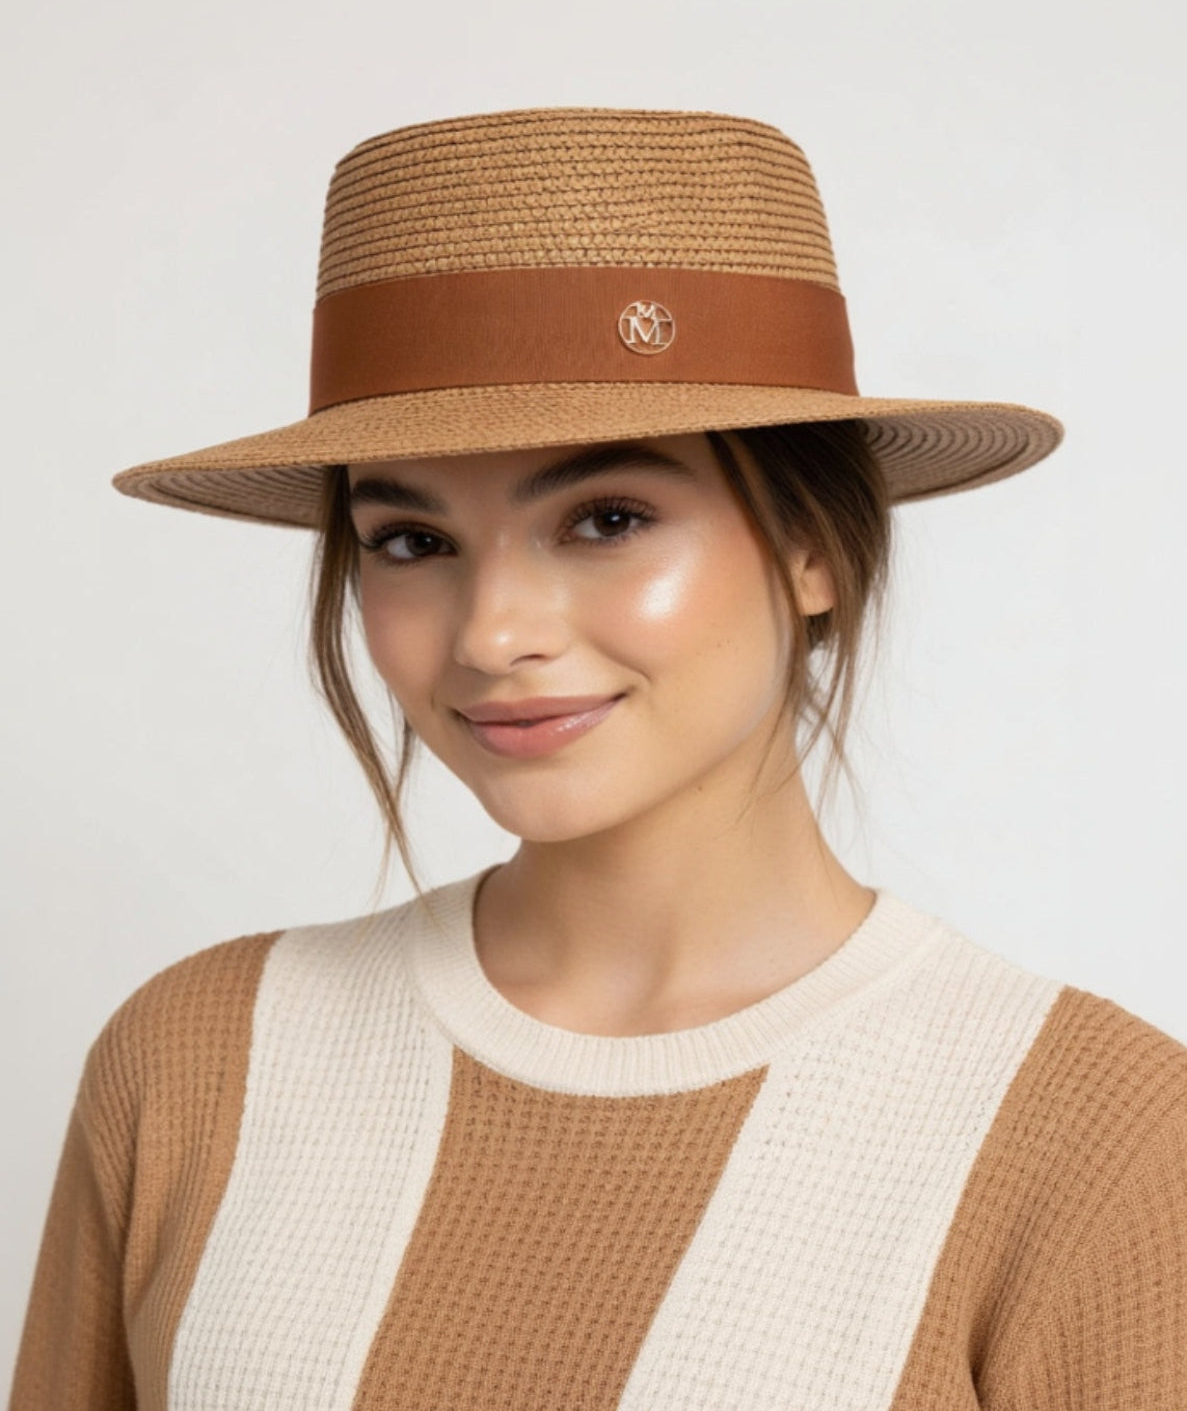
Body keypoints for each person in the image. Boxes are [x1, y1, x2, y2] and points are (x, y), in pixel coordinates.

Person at [9, 107, 1186, 1411]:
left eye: (607, 517)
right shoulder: (195, 1065)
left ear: (814, 549)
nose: (494, 633)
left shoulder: (1097, 1140)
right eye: (408, 540)